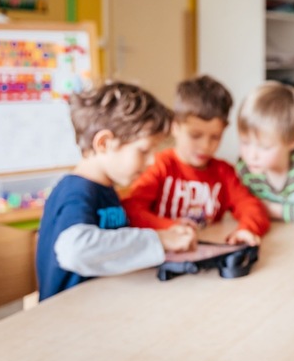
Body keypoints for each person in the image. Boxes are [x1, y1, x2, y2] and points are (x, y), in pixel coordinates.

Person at [36, 82, 196, 301]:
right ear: (104, 143)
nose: (152, 161)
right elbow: (74, 250)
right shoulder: (76, 192)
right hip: (69, 316)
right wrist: (159, 239)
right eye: (144, 150)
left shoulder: (107, 189)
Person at [122, 75, 269, 246]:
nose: (205, 146)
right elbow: (132, 210)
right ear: (175, 127)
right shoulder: (159, 166)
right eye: (195, 135)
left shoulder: (223, 172)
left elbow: (251, 206)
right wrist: (170, 227)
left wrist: (247, 229)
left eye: (215, 137)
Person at [235, 81, 294, 224]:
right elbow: (243, 207)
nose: (251, 155)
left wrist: (270, 209)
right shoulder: (245, 168)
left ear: (292, 140)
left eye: (264, 147)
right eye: (245, 142)